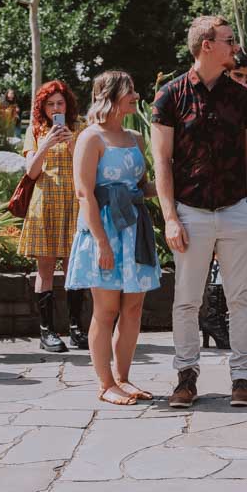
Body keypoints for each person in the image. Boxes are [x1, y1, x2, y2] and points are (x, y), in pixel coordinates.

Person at [152, 15, 247, 408]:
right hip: (189, 212)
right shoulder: (170, 96)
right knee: (186, 299)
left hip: (236, 209)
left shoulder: (243, 97)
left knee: (240, 296)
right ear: (207, 46)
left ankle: (242, 377)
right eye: (229, 41)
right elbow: (162, 162)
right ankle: (185, 376)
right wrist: (169, 217)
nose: (235, 47)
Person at [66, 71, 161, 405]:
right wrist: (102, 243)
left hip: (135, 229)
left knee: (133, 308)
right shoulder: (91, 138)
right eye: (130, 90)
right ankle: (105, 384)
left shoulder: (135, 138)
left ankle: (123, 377)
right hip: (104, 230)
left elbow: (142, 187)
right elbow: (83, 193)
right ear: (111, 96)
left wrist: (168, 183)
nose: (136, 96)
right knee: (105, 310)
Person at [196, 51, 247, 352]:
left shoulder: (244, 100)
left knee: (235, 267)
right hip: (208, 193)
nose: (245, 82)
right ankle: (212, 316)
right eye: (238, 76)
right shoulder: (210, 101)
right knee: (214, 258)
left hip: (239, 190)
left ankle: (222, 318)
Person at [20, 80, 85, 352]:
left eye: (60, 103)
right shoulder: (35, 130)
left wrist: (72, 143)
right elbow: (31, 172)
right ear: (42, 107)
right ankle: (47, 331)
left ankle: (76, 328)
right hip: (45, 202)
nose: (56, 108)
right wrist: (46, 143)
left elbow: (88, 166)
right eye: (50, 104)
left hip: (73, 202)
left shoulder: (80, 128)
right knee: (45, 269)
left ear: (67, 104)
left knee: (75, 268)